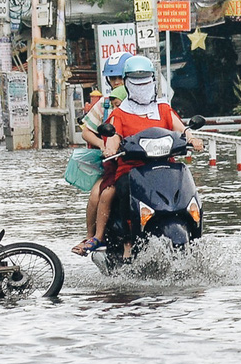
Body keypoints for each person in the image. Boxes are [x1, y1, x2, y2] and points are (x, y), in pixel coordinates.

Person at [83, 55, 196, 253]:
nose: (141, 86)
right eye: (136, 82)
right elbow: (115, 135)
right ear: (127, 83)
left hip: (165, 166)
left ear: (153, 81)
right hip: (132, 169)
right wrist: (110, 147)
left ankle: (195, 231)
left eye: (145, 81)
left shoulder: (163, 108)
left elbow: (182, 129)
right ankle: (128, 240)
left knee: (186, 186)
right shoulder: (120, 113)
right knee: (125, 188)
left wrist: (193, 138)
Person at [71, 57, 130, 255]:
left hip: (137, 163)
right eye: (113, 79)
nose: (116, 82)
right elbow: (87, 131)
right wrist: (104, 145)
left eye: (120, 78)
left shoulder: (142, 104)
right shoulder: (105, 105)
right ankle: (93, 236)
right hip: (112, 164)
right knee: (98, 195)